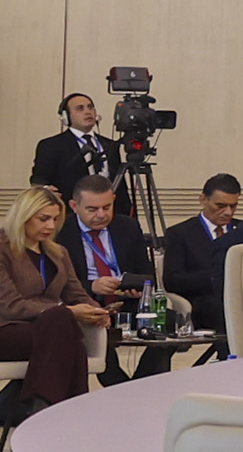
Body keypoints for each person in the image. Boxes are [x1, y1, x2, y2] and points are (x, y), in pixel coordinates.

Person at [0, 184, 98, 424]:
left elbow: (76, 293)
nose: (51, 226)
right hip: (8, 328)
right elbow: (10, 305)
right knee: (63, 323)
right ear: (24, 216)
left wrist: (96, 310)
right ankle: (68, 415)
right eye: (43, 219)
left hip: (50, 330)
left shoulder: (58, 252)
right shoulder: (3, 249)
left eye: (55, 219)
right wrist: (67, 311)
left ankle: (41, 406)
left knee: (71, 341)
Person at [159, 172, 243, 347]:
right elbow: (172, 280)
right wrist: (216, 277)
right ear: (203, 200)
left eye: (233, 206)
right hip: (204, 301)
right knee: (226, 309)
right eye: (220, 206)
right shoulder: (180, 233)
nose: (227, 212)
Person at [62, 175, 153, 375]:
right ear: (74, 206)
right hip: (87, 304)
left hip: (126, 303)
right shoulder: (61, 232)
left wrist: (135, 286)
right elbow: (58, 284)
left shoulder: (128, 227)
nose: (101, 215)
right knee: (100, 340)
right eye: (92, 209)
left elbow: (147, 273)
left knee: (167, 325)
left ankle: (143, 382)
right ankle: (123, 388)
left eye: (107, 207)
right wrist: (91, 286)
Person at [31, 93, 117, 202]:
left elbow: (120, 185)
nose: (88, 112)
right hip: (69, 208)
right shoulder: (50, 146)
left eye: (90, 107)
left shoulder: (110, 145)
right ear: (66, 116)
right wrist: (45, 191)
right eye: (80, 108)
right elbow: (38, 181)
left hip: (107, 208)